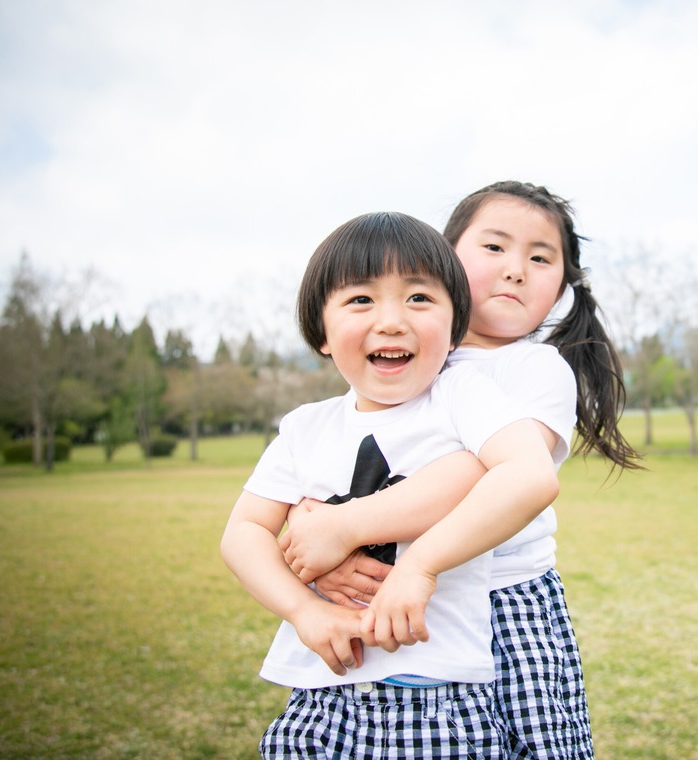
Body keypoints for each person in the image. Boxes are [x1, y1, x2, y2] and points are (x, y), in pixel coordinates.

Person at [280, 181, 642, 758]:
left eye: (540, 258)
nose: (517, 270)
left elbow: (479, 473)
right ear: (445, 260)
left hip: (502, 600)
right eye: (494, 248)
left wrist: (345, 527)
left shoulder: (534, 368)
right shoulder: (410, 353)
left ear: (561, 289)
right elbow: (352, 458)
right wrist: (319, 545)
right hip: (394, 587)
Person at [220, 211, 560, 758]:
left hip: (440, 698)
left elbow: (529, 472)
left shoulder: (461, 397)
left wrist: (420, 565)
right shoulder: (306, 426)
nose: (392, 321)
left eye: (419, 299)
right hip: (319, 695)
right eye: (361, 300)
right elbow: (243, 532)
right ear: (321, 332)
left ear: (454, 326)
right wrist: (303, 610)